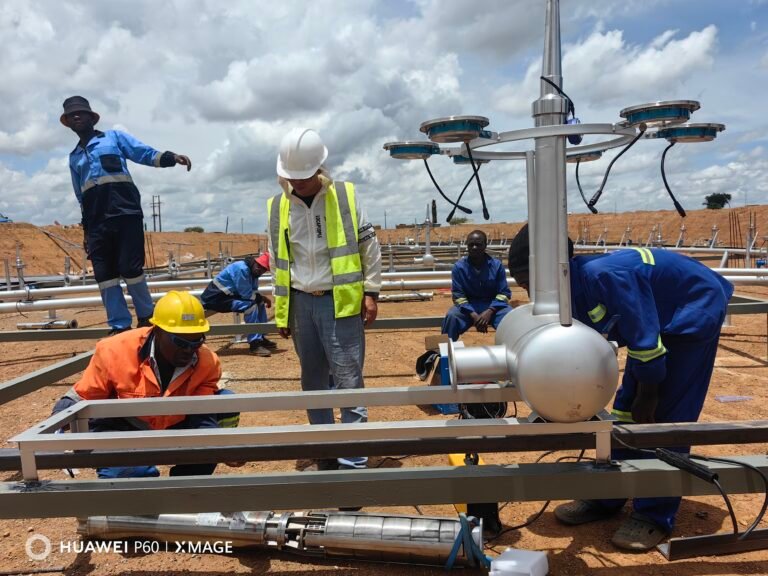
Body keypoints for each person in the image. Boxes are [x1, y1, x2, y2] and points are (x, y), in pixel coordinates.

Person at [507, 224, 733, 551]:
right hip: (656, 322)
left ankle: (654, 514)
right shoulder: (572, 287)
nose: (530, 295)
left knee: (666, 414)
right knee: (625, 409)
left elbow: (646, 342)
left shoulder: (603, 277)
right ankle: (607, 494)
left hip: (691, 309)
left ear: (554, 271)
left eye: (530, 284)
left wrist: (649, 394)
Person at [267, 127, 381, 472]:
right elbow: (278, 260)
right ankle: (325, 449)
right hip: (301, 303)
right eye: (291, 177)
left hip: (340, 301)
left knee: (348, 379)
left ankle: (354, 460)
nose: (296, 183)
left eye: (302, 177)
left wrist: (371, 291)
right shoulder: (277, 207)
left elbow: (368, 246)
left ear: (319, 169)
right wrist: (283, 311)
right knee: (312, 380)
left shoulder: (344, 196)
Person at [52, 291, 240, 478]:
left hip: (174, 424)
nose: (189, 350)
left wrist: (220, 446)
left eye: (197, 341)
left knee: (226, 401)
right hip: (124, 425)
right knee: (134, 476)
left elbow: (203, 417)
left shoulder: (206, 362)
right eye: (180, 342)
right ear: (157, 331)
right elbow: (83, 397)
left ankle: (187, 485)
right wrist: (56, 427)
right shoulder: (114, 351)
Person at [61, 95, 192, 335]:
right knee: (105, 274)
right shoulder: (74, 157)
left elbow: (142, 152)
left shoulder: (113, 138)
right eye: (72, 115)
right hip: (96, 222)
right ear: (68, 123)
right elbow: (80, 195)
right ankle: (119, 325)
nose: (77, 117)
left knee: (131, 268)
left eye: (81, 113)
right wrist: (86, 230)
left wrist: (170, 158)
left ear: (92, 117)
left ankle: (146, 317)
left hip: (126, 213)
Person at [200, 253, 277, 356]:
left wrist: (262, 299)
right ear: (255, 262)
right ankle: (255, 344)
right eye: (259, 266)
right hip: (215, 298)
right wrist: (263, 298)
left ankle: (260, 337)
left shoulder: (253, 272)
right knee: (251, 307)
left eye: (263, 269)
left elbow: (253, 291)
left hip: (227, 297)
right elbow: (246, 295)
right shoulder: (242, 269)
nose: (260, 270)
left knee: (259, 303)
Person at [441, 230, 512, 341]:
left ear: (485, 245)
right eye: (471, 244)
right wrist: (473, 315)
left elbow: (503, 293)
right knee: (452, 317)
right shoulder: (459, 267)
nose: (474, 247)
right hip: (468, 308)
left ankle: (513, 353)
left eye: (478, 244)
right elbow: (458, 296)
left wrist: (489, 312)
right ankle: (444, 353)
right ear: (467, 246)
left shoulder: (496, 266)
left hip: (493, 307)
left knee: (510, 317)